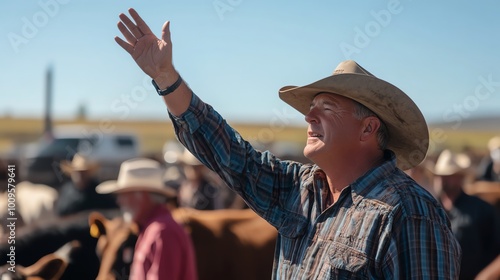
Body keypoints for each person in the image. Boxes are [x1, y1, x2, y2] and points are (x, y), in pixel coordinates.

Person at [113, 8, 461, 278]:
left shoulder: (411, 212)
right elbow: (232, 157)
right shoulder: (302, 189)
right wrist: (167, 79)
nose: (309, 118)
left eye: (326, 109)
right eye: (310, 111)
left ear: (368, 128)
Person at [96, 157, 197, 280]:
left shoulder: (162, 232)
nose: (119, 201)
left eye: (124, 195)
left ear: (141, 196)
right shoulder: (153, 228)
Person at [432, 149, 500, 280]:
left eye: (448, 175)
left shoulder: (481, 209)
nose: (442, 180)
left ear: (460, 178)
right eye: (439, 175)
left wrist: (485, 276)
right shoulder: (429, 209)